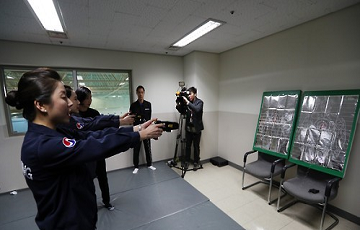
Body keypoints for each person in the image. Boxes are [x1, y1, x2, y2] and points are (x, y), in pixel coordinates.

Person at [5, 68, 163, 229]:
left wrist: (136, 130)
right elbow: (93, 146)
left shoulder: (50, 134)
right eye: (62, 97)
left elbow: (90, 136)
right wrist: (139, 136)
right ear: (41, 105)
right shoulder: (44, 145)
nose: (70, 103)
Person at [75, 86, 115, 211]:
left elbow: (102, 130)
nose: (90, 100)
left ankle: (107, 201)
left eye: (91, 97)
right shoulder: (75, 116)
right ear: (81, 99)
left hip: (97, 151)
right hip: (84, 153)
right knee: (86, 180)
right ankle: (88, 204)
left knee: (102, 177)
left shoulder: (94, 113)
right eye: (88, 98)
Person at [130, 85, 155, 174]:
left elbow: (149, 118)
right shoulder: (133, 105)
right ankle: (136, 166)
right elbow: (132, 118)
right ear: (136, 93)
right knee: (136, 148)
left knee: (148, 147)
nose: (140, 94)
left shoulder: (148, 104)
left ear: (144, 93)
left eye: (142, 92)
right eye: (139, 92)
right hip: (137, 130)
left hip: (146, 130)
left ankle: (149, 164)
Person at [182, 87, 204, 170]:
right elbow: (182, 111)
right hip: (188, 127)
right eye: (188, 94)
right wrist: (179, 103)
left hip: (196, 128)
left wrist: (188, 103)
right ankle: (187, 161)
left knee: (196, 146)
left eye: (190, 94)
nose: (189, 95)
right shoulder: (187, 102)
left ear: (195, 94)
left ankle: (196, 162)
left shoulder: (200, 102)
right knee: (188, 145)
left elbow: (197, 110)